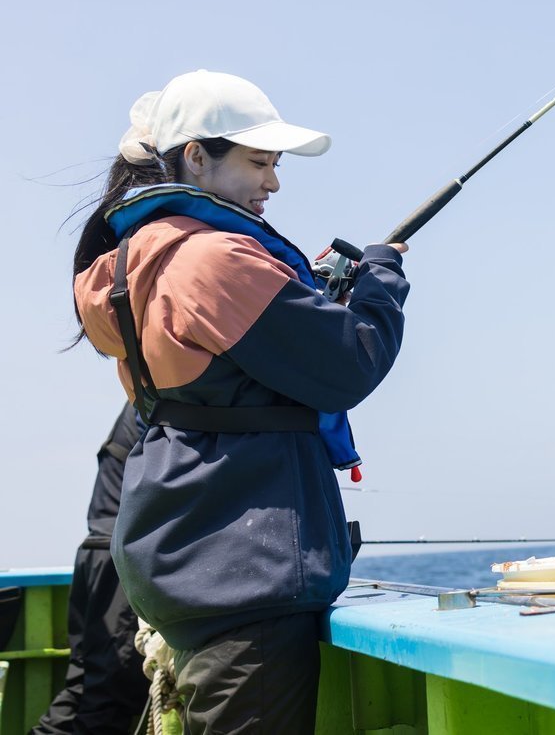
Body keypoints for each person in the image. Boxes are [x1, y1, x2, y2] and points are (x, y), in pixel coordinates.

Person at [69, 70, 410, 732]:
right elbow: (350, 363)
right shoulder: (215, 259)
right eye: (258, 162)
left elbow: (221, 375)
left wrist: (297, 296)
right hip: (245, 572)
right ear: (196, 156)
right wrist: (380, 280)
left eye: (276, 165)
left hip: (186, 548)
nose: (273, 183)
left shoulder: (133, 259)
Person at [30, 404, 150, 735]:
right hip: (120, 562)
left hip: (98, 552)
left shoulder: (145, 390)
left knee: (84, 687)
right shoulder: (165, 388)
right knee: (106, 699)